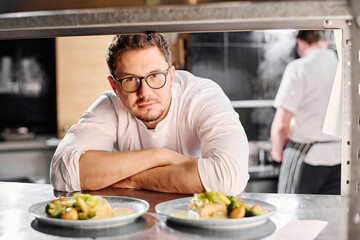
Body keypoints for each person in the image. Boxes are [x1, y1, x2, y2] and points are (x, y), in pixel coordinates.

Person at [50, 33, 249, 195]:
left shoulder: (203, 96)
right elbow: (62, 172)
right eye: (130, 79)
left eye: (155, 76)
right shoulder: (111, 105)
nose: (145, 92)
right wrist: (160, 156)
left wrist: (134, 179)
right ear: (114, 86)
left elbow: (228, 178)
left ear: (171, 76)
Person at [270, 30, 341, 194]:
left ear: (300, 43)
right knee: (331, 217)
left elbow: (281, 124)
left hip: (306, 157)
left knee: (293, 214)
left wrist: (276, 151)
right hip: (339, 159)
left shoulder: (298, 68)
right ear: (326, 43)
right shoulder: (344, 67)